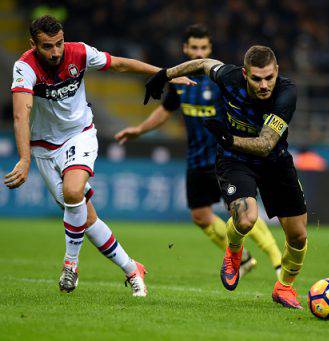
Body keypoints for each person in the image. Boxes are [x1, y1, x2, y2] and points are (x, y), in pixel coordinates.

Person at [4, 15, 194, 296]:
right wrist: (25, 158)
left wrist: (165, 74)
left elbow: (118, 63)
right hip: (43, 148)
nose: (55, 52)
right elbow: (22, 113)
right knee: (86, 219)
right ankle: (132, 268)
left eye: (58, 44)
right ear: (33, 44)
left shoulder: (78, 52)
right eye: (47, 46)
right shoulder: (25, 67)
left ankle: (70, 264)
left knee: (73, 191)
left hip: (79, 134)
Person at [143, 45, 308, 309]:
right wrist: (165, 75)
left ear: (277, 71)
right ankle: (233, 252)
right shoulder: (230, 77)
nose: (264, 84)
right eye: (256, 78)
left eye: (269, 77)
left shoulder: (286, 93)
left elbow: (266, 144)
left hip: (275, 162)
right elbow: (203, 63)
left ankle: (284, 288)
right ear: (245, 74)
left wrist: (229, 138)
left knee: (298, 236)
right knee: (246, 218)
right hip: (236, 161)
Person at [115, 25, 282, 277]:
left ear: (210, 50)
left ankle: (276, 259)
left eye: (203, 48)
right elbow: (166, 110)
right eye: (194, 47)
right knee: (201, 216)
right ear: (185, 48)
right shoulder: (180, 82)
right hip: (196, 158)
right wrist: (139, 130)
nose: (198, 52)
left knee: (241, 210)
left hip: (225, 157)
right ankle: (244, 259)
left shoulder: (222, 80)